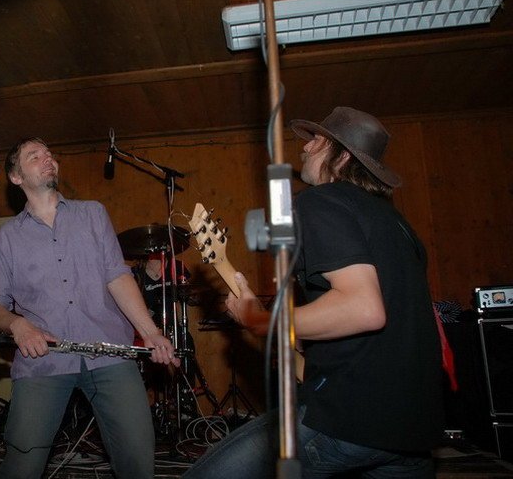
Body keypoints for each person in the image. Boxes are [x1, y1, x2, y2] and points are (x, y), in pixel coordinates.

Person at [184, 107, 445, 478]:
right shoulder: (397, 224)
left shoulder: (321, 200)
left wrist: (257, 319)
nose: (305, 148)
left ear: (343, 156)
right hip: (412, 431)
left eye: (318, 141)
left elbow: (363, 308)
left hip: (347, 418)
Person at [0, 137, 179, 479]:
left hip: (110, 354)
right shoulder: (6, 239)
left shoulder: (92, 213)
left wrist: (150, 332)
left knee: (138, 461)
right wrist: (17, 325)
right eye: (34, 156)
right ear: (16, 177)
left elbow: (117, 275)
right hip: (43, 361)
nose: (48, 158)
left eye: (49, 154)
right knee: (22, 467)